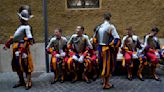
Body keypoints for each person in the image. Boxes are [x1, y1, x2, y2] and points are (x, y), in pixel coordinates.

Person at [3, 5, 34, 90]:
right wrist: (8, 43)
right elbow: (16, 37)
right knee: (17, 65)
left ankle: (28, 81)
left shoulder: (27, 27)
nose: (19, 19)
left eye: (20, 17)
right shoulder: (20, 27)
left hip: (23, 48)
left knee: (26, 65)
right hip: (16, 48)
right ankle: (21, 80)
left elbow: (31, 40)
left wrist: (24, 45)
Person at [93, 12, 121, 89]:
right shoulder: (111, 27)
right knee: (108, 65)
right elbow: (117, 39)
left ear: (103, 18)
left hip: (100, 49)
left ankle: (103, 80)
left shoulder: (99, 27)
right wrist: (112, 46)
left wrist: (97, 46)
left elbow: (94, 39)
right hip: (107, 49)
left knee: (102, 64)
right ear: (110, 18)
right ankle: (106, 83)